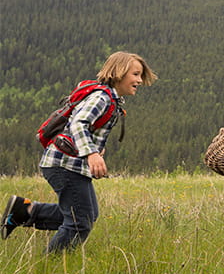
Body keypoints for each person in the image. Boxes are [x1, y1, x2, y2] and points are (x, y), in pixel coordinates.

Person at [3, 52, 157, 253]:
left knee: (87, 215)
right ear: (119, 72)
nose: (139, 80)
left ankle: (24, 211)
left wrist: (97, 149)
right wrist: (91, 154)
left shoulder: (111, 99)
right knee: (79, 223)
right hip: (64, 165)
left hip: (69, 164)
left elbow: (86, 128)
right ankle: (52, 266)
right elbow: (78, 123)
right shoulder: (102, 97)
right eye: (135, 74)